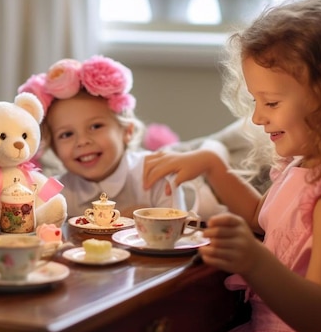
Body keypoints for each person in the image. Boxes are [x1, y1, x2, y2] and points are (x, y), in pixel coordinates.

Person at [143, 0, 321, 332]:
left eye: (271, 103)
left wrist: (253, 259)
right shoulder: (305, 166)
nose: (258, 118)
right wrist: (214, 166)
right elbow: (264, 216)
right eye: (255, 101)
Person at [18, 55, 227, 219]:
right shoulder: (55, 190)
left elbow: (176, 232)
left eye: (95, 126)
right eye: (66, 134)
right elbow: (28, 216)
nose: (82, 141)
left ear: (126, 132)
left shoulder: (154, 174)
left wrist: (143, 219)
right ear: (53, 147)